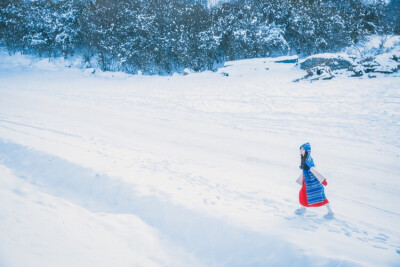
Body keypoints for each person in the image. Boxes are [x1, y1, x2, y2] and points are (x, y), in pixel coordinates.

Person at [295, 142, 335, 219]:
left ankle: (331, 213)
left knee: (321, 197)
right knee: (305, 194)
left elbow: (314, 171)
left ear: (306, 150)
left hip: (312, 182)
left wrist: (323, 180)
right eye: (300, 149)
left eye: (302, 149)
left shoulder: (307, 161)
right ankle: (303, 208)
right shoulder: (307, 158)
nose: (300, 151)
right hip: (308, 181)